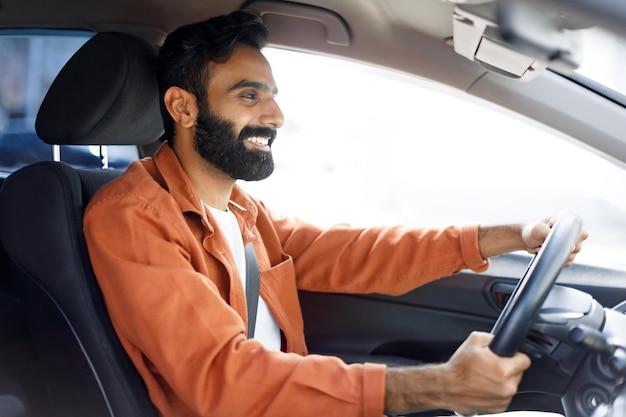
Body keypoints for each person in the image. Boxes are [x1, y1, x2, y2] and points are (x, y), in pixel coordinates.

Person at [83, 10, 588, 417]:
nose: (275, 116)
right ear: (184, 108)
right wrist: (437, 386)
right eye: (248, 95)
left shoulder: (240, 209)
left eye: (273, 97)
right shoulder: (132, 217)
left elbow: (351, 252)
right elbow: (223, 379)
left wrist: (508, 235)